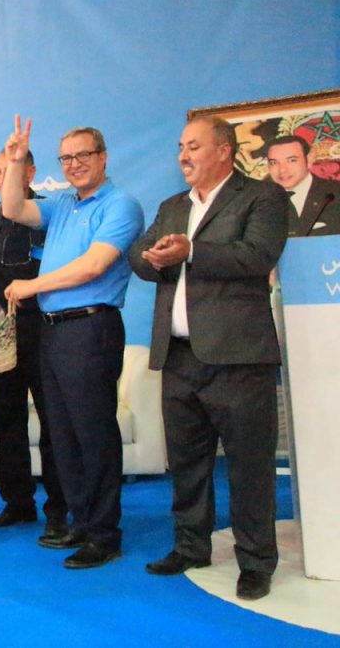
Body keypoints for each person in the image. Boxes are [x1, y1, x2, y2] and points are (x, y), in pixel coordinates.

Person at [129, 116, 287, 601]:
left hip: (239, 359)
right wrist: (152, 257)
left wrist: (192, 250)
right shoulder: (172, 206)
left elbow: (257, 255)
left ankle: (255, 562)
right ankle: (191, 546)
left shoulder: (261, 196)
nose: (183, 155)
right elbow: (138, 253)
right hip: (179, 358)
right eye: (181, 146)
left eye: (193, 146)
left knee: (249, 467)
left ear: (224, 150)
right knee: (188, 463)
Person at [0, 116, 144, 570]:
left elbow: (94, 266)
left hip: (91, 328)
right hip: (54, 331)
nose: (74, 164)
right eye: (66, 158)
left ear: (103, 157)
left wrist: (32, 285)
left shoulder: (120, 205)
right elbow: (12, 209)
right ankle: (81, 522)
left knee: (93, 433)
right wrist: (16, 161)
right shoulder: (63, 203)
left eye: (83, 155)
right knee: (63, 434)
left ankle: (104, 534)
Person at [0, 149, 68, 540]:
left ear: (31, 172)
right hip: (1, 336)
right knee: (7, 423)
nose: (1, 178)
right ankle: (18, 503)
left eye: (9, 170)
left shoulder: (53, 213)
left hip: (47, 332)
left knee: (53, 424)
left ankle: (59, 509)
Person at [265, 134, 340, 237]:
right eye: (274, 162)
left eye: (292, 160)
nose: (282, 170)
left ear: (309, 160)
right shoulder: (259, 201)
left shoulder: (335, 193)